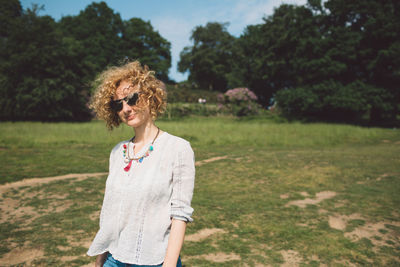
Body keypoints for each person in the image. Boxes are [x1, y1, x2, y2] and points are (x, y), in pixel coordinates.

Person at [87, 61, 195, 267]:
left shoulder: (178, 148)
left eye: (132, 98)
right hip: (113, 259)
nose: (126, 108)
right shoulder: (118, 152)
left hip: (155, 261)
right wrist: (100, 262)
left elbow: (180, 215)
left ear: (149, 96)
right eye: (118, 104)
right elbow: (111, 214)